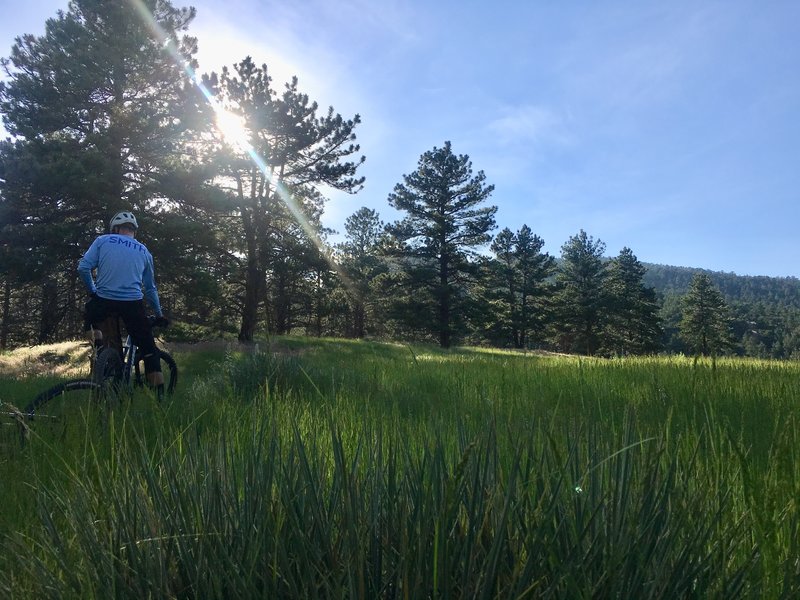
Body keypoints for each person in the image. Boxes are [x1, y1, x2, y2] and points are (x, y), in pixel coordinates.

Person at [77, 211, 168, 399]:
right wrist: (159, 314)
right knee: (149, 351)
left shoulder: (103, 240)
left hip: (104, 300)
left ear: (115, 229)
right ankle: (160, 401)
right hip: (132, 304)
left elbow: (83, 267)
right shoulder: (144, 251)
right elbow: (150, 289)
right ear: (133, 230)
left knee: (92, 320)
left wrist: (94, 292)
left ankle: (100, 351)